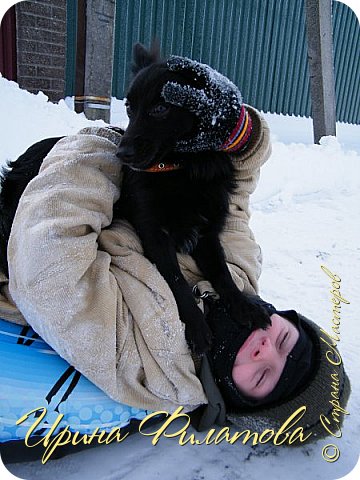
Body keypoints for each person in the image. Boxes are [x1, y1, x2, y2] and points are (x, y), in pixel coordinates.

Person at [0, 57, 350, 446]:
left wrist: (108, 149)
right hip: (100, 202)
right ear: (283, 316)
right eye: (284, 340)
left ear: (233, 400)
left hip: (26, 224)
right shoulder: (239, 279)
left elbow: (47, 260)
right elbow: (233, 205)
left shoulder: (150, 363)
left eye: (263, 376)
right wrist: (236, 131)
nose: (266, 348)